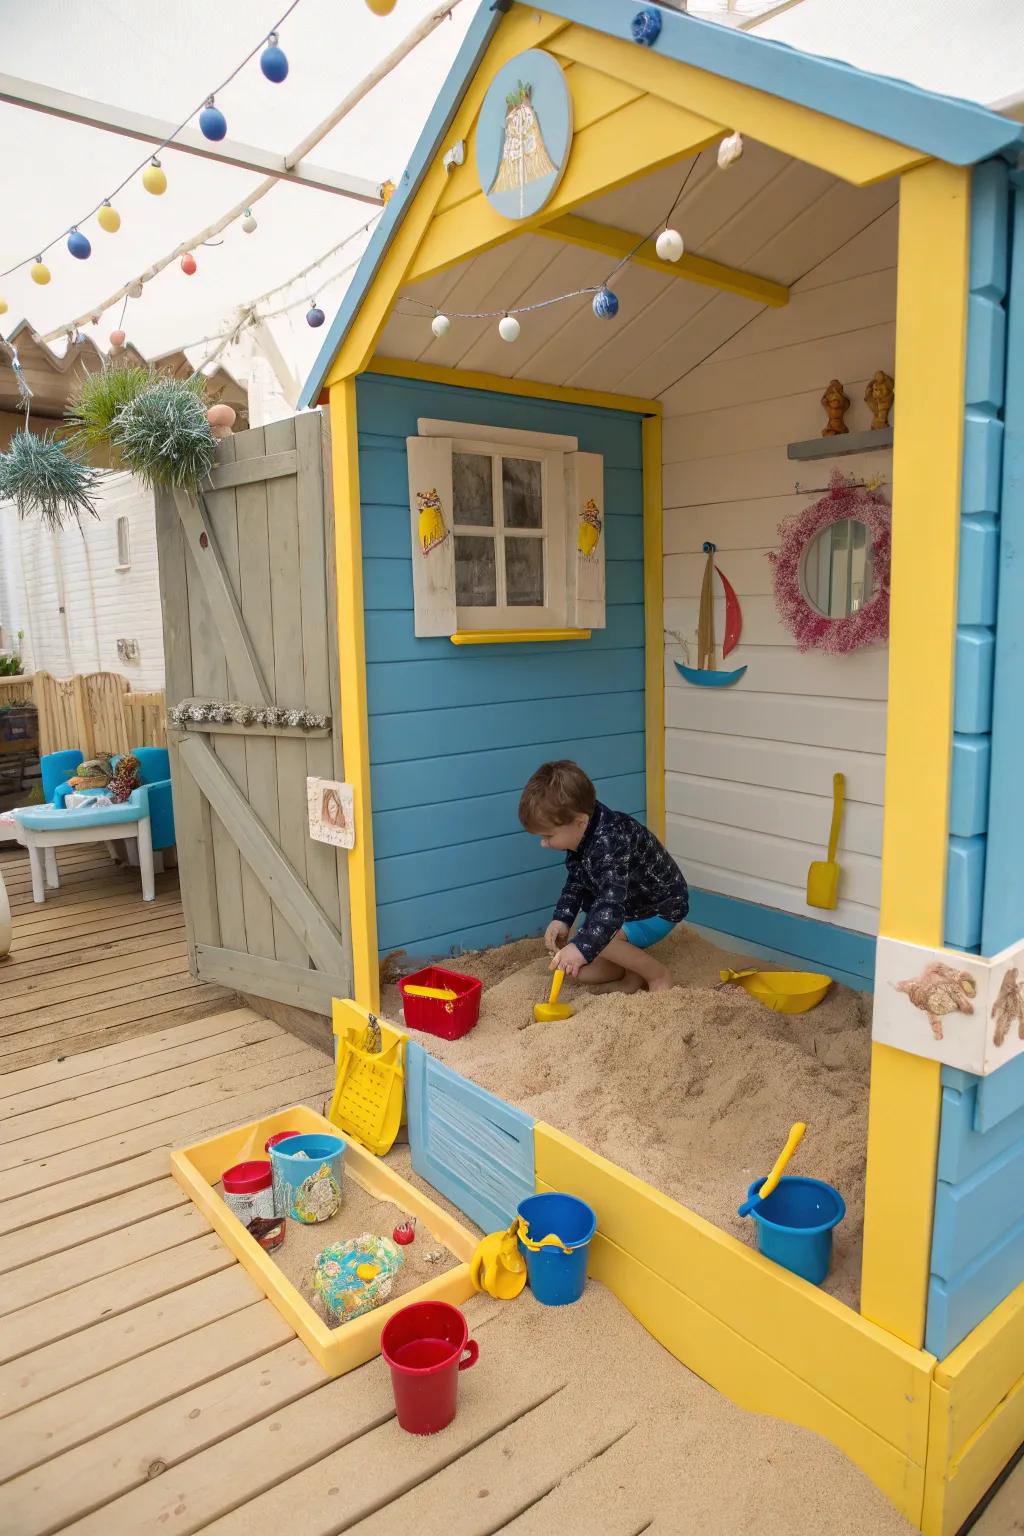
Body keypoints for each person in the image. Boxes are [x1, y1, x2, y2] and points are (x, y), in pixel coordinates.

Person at [519, 760, 688, 994]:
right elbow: (577, 879)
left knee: (599, 938)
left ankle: (657, 974)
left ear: (579, 822)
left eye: (548, 836)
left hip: (656, 907)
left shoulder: (610, 842)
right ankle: (630, 974)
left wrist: (583, 945)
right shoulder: (584, 830)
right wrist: (563, 918)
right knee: (582, 968)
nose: (544, 843)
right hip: (627, 904)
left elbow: (611, 904)